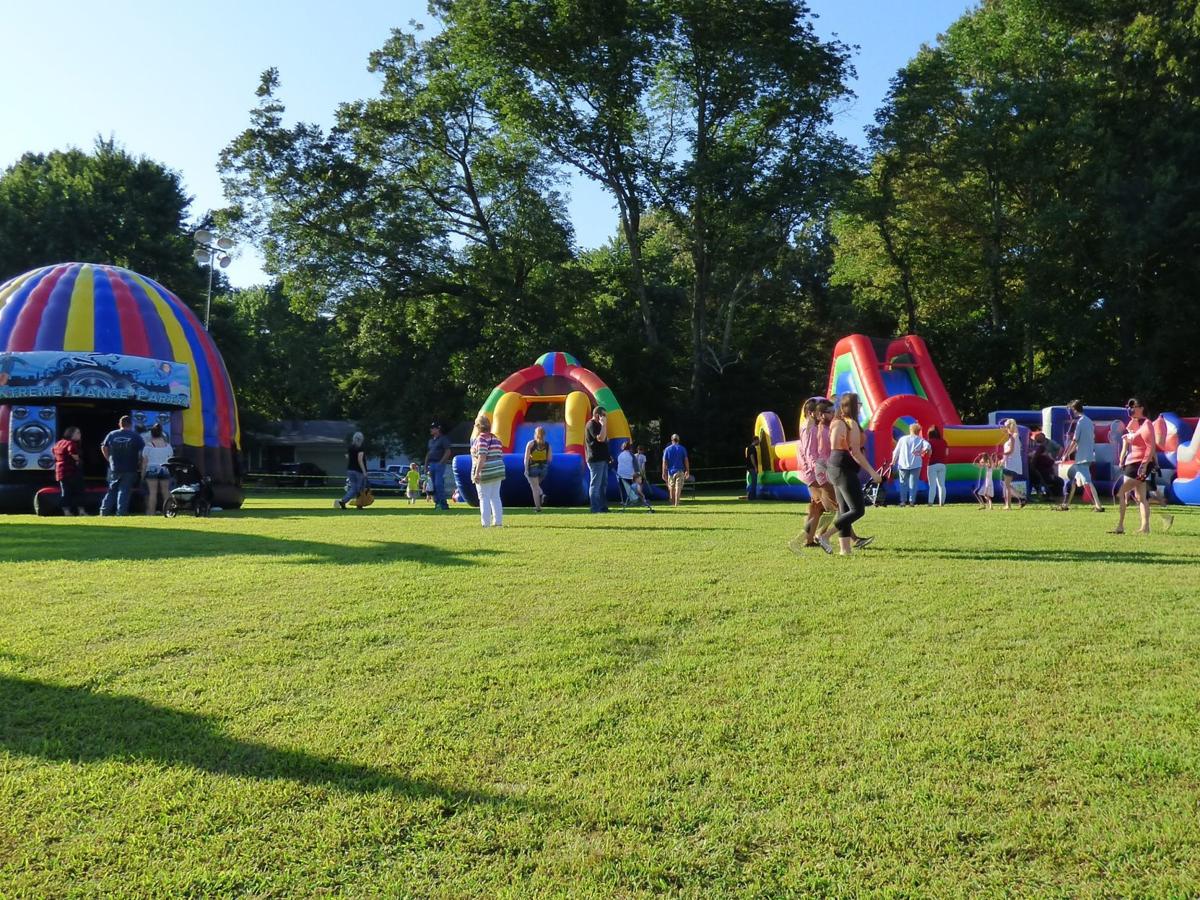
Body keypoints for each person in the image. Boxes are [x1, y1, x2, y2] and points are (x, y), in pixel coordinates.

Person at [821, 393, 882, 555]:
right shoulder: (851, 424)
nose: (861, 406)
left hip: (834, 466)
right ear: (853, 406)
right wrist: (872, 472)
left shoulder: (836, 422)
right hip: (843, 468)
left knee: (844, 509)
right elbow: (855, 452)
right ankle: (825, 536)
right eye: (859, 403)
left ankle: (845, 549)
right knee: (857, 510)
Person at [1113, 398, 1156, 534]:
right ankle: (1145, 527)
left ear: (1142, 408)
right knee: (1140, 497)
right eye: (1129, 407)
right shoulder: (1136, 423)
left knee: (1120, 493)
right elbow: (1131, 438)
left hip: (1138, 463)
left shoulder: (1147, 425)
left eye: (1134, 406)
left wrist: (1144, 465)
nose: (1131, 409)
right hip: (1132, 462)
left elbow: (1151, 447)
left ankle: (1120, 526)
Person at [1057, 400, 1104, 512]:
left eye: (1071, 410)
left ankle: (1098, 506)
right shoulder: (1089, 421)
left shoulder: (1080, 422)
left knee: (1088, 481)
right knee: (1074, 482)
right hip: (1088, 455)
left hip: (1082, 457)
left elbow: (1074, 441)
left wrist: (1066, 455)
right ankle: (1066, 505)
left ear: (1074, 410)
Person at [100, 415, 145, 516]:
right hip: (130, 467)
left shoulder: (111, 434)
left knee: (112, 490)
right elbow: (143, 451)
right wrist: (140, 463)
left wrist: (108, 458)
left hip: (114, 467)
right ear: (130, 424)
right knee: (124, 490)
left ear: (119, 424)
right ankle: (121, 513)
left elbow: (104, 447)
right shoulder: (135, 436)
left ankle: (104, 511)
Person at [471, 414, 506, 526]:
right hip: (498, 470)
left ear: (477, 426)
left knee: (483, 497)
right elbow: (500, 454)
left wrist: (476, 473)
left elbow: (482, 456)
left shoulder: (481, 439)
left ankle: (485, 523)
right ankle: (498, 521)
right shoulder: (496, 438)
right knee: (495, 496)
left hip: (486, 471)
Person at [891, 423, 930, 507]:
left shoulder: (903, 439)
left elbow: (896, 451)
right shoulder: (920, 440)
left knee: (903, 483)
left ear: (910, 430)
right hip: (916, 464)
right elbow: (928, 446)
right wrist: (922, 452)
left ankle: (903, 501)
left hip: (903, 463)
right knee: (913, 483)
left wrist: (893, 461)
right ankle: (912, 501)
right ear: (918, 431)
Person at [53, 426, 87, 516]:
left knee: (65, 492)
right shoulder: (71, 444)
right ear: (71, 434)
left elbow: (53, 452)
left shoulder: (58, 443)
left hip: (60, 472)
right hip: (72, 471)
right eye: (77, 433)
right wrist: (78, 460)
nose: (80, 435)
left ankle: (66, 511)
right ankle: (81, 511)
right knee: (79, 491)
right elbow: (73, 453)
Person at [141, 423, 173, 515]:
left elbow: (144, 463)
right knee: (165, 491)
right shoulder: (168, 446)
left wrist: (142, 475)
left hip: (151, 469)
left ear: (151, 434)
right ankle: (169, 511)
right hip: (164, 468)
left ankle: (151, 512)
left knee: (152, 493)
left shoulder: (148, 446)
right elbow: (171, 458)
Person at [584, 407, 610, 513]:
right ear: (597, 415)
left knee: (603, 484)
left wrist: (608, 456)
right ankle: (595, 508)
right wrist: (603, 425)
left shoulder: (599, 425)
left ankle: (603, 507)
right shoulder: (591, 425)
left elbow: (604, 441)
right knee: (595, 484)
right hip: (595, 459)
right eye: (603, 415)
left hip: (602, 459)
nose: (605, 417)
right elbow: (600, 438)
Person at [335, 432, 368, 510]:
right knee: (359, 488)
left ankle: (358, 504)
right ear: (361, 439)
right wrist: (364, 472)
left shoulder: (350, 447)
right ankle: (345, 501)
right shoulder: (360, 448)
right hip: (358, 471)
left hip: (350, 469)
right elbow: (360, 460)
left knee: (354, 487)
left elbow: (347, 457)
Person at [616, 443, 653, 512]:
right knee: (637, 488)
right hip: (630, 476)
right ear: (630, 448)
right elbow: (636, 466)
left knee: (627, 490)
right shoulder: (631, 455)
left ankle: (626, 501)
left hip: (620, 477)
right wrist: (639, 476)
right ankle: (640, 500)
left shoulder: (619, 455)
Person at [1000, 418, 1027, 510]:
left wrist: (1001, 454)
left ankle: (1009, 505)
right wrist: (1003, 460)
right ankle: (1021, 497)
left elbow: (1010, 451)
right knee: (1007, 484)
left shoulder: (1013, 437)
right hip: (1012, 463)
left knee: (1006, 484)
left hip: (1011, 463)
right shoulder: (1015, 436)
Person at [524, 425, 552, 512]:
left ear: (535, 434)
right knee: (535, 485)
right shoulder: (547, 445)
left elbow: (526, 458)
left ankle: (538, 507)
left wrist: (525, 469)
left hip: (533, 467)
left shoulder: (531, 444)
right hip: (543, 469)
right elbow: (550, 459)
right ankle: (541, 494)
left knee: (535, 488)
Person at [425, 422, 453, 510]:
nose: (431, 430)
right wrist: (426, 465)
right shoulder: (431, 441)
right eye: (431, 428)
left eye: (433, 428)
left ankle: (443, 504)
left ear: (438, 429)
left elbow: (448, 451)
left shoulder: (443, 439)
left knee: (438, 484)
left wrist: (441, 462)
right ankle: (437, 503)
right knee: (433, 485)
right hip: (431, 464)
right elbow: (429, 453)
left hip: (439, 464)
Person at [662, 433, 689, 508]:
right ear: (678, 440)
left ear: (671, 440)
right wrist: (687, 470)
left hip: (670, 471)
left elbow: (664, 461)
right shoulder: (682, 448)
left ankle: (672, 502)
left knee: (671, 487)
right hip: (680, 470)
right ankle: (677, 503)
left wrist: (663, 472)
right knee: (678, 487)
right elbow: (686, 460)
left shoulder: (667, 449)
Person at [925, 427, 948, 507]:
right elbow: (947, 453)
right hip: (942, 464)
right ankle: (942, 503)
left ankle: (930, 502)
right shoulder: (944, 442)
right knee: (942, 485)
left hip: (932, 464)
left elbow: (929, 453)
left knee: (932, 485)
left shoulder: (929, 442)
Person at [745, 435, 761, 500]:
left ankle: (750, 496)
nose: (759, 442)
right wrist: (755, 467)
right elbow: (752, 457)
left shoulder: (749, 447)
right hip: (752, 467)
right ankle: (752, 497)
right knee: (754, 482)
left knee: (753, 482)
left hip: (749, 467)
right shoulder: (752, 447)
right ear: (755, 440)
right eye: (758, 440)